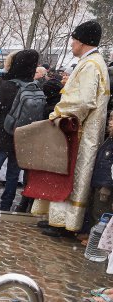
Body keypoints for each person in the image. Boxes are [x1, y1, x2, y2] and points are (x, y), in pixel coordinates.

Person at [33, 20, 111, 237]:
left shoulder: (91, 65)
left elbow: (84, 101)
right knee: (68, 175)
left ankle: (65, 224)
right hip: (78, 129)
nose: (71, 45)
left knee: (73, 176)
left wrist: (58, 113)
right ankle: (57, 219)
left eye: (74, 40)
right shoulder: (92, 62)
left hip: (79, 131)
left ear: (83, 42)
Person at [0, 50, 39, 211]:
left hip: (2, 135)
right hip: (22, 138)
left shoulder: (8, 85)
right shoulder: (35, 87)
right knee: (12, 175)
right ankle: (5, 207)